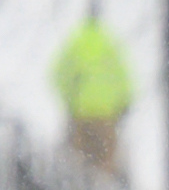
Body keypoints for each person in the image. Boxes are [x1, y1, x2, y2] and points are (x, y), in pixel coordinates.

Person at [52, 15, 133, 179]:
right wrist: (123, 103)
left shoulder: (74, 45)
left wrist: (69, 98)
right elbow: (124, 78)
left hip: (80, 114)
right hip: (106, 115)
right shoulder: (110, 46)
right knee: (105, 159)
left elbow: (57, 75)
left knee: (78, 158)